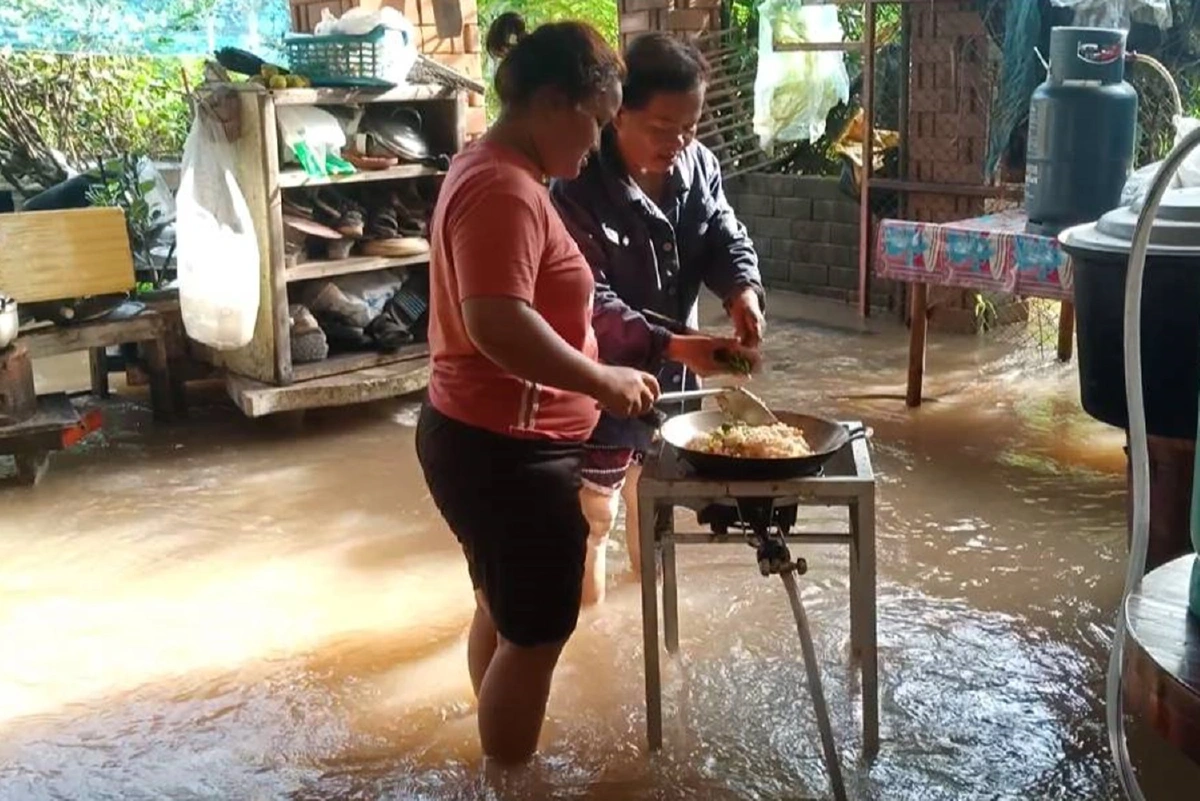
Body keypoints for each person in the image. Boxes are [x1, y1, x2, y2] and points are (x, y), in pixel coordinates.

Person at [415, 13, 661, 765]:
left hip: (484, 439)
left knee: (505, 614)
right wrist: (602, 380)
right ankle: (512, 778)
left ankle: (496, 760)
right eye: (595, 122)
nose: (597, 144)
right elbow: (496, 321)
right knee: (538, 634)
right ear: (552, 102)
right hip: (508, 452)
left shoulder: (496, 169)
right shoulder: (504, 188)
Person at [550, 33, 765, 605]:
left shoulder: (699, 165)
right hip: (602, 382)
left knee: (656, 503)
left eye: (689, 127)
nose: (679, 143)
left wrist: (742, 292)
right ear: (619, 113)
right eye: (663, 128)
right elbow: (586, 301)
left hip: (673, 378)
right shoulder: (576, 185)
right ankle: (590, 635)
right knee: (594, 516)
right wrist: (673, 345)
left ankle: (649, 633)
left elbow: (724, 235)